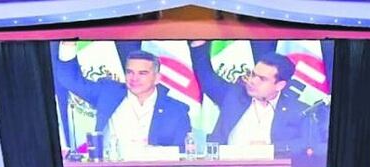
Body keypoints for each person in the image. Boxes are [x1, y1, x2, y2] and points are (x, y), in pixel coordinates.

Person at [53, 45, 192, 153]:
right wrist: (68, 42)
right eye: (129, 72)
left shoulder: (177, 110)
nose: (134, 79)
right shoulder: (108, 93)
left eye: (142, 73)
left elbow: (182, 154)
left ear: (157, 78)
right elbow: (70, 80)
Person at [189, 41, 310, 156]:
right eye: (253, 74)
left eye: (262, 79)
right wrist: (198, 43)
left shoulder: (297, 110)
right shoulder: (233, 95)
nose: (252, 81)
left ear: (280, 85)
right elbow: (206, 77)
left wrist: (271, 148)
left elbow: (310, 143)